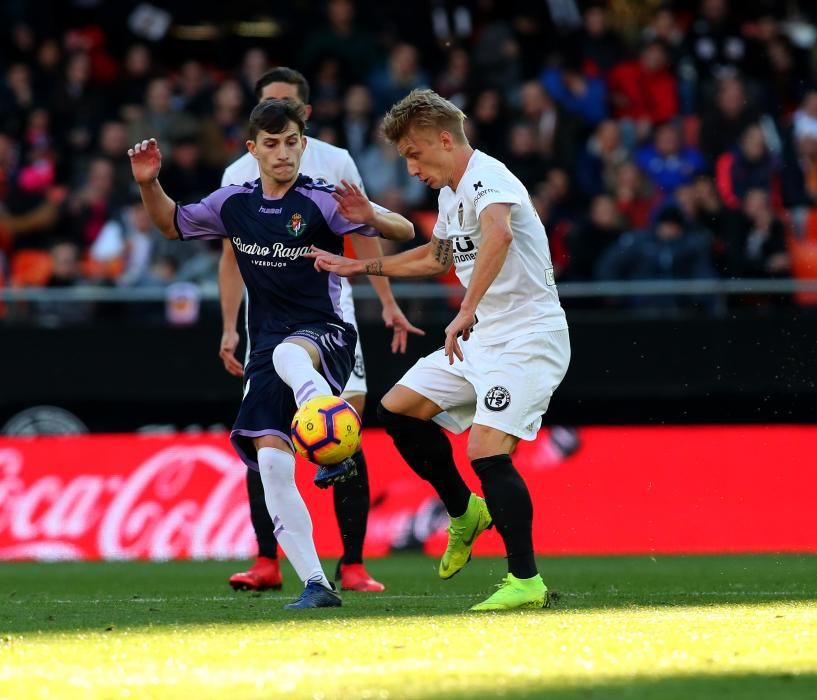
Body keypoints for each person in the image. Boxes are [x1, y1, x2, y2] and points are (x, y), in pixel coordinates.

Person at [128, 99, 415, 609]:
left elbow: (405, 232)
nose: (283, 153)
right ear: (253, 150)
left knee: (289, 354)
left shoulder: (323, 199)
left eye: (291, 142)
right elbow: (171, 224)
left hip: (325, 334)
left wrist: (372, 215)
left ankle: (331, 437)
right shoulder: (232, 204)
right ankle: (316, 584)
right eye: (272, 144)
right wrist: (150, 183)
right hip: (266, 348)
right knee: (272, 467)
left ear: (303, 144)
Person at [309, 89, 571, 611]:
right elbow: (436, 257)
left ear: (444, 139)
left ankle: (527, 581)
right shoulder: (451, 194)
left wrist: (466, 309)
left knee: (485, 450)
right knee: (397, 408)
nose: (410, 168)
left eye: (414, 153)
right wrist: (360, 267)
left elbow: (497, 235)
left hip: (526, 338)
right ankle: (465, 511)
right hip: (482, 336)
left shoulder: (488, 179)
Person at [219, 67, 423, 595]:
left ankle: (351, 562)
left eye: (285, 111)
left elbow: (369, 233)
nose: (279, 137)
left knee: (342, 424)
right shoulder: (235, 176)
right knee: (265, 434)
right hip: (264, 324)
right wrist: (228, 326)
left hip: (328, 313)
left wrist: (386, 300)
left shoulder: (333, 165)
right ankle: (270, 559)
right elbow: (228, 256)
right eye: (266, 110)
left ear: (303, 119)